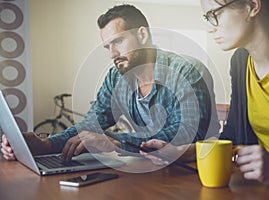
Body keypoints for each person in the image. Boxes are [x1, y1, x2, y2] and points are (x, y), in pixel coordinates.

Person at [1, 4, 219, 162]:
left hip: (199, 171)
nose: (112, 54)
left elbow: (186, 134)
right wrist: (45, 144)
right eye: (107, 47)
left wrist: (115, 142)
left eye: (118, 42)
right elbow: (90, 125)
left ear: (142, 34)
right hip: (150, 169)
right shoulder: (116, 78)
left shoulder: (187, 70)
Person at [141, 0, 269, 186]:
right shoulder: (240, 62)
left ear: (253, 6)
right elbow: (231, 136)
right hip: (262, 188)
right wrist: (181, 152)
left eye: (214, 15)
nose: (210, 28)